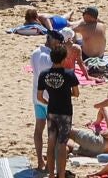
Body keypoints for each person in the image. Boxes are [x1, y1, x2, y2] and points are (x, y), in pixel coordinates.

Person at [36, 38, 81, 178]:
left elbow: (39, 97)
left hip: (52, 111)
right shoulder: (69, 74)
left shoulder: (44, 75)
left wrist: (48, 101)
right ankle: (61, 174)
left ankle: (51, 174)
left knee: (51, 142)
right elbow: (76, 93)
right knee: (62, 143)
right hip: (65, 112)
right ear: (64, 59)